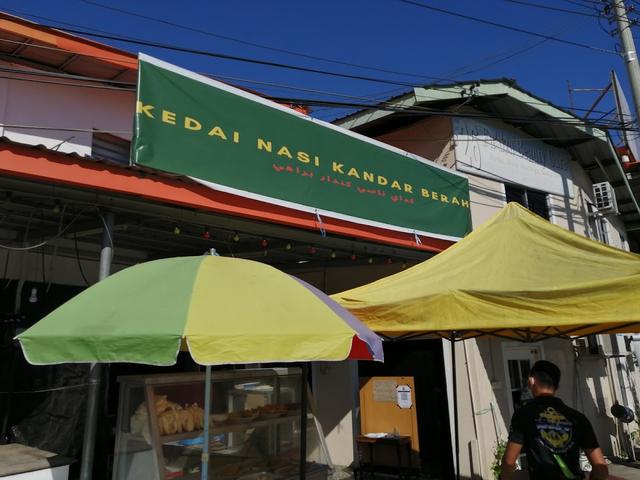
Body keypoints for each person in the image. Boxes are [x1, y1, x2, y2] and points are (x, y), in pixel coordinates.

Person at [500, 360, 609, 480]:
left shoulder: (523, 415)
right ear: (556, 386)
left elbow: (509, 463)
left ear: (531, 381)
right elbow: (600, 468)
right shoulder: (578, 418)